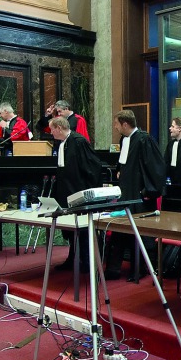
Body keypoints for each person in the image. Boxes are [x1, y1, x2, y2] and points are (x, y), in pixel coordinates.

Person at [106, 109, 166, 281]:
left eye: (117, 123)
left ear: (125, 124)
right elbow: (123, 163)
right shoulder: (124, 139)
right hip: (126, 193)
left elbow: (155, 167)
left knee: (138, 234)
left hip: (139, 195)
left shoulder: (144, 139)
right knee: (119, 230)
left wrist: (149, 191)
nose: (115, 127)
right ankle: (113, 269)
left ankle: (138, 270)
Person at [50, 116, 104, 272]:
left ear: (59, 128)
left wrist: (87, 193)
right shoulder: (63, 143)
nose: (51, 132)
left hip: (79, 193)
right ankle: (73, 257)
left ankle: (88, 263)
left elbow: (92, 167)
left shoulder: (78, 141)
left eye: (52, 129)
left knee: (83, 230)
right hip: (66, 194)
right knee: (70, 229)